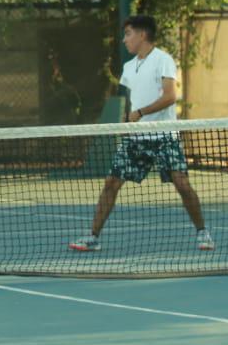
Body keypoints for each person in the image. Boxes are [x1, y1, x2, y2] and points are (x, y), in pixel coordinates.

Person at [70, 14, 215, 254]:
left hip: (164, 136)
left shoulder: (163, 60)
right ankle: (93, 237)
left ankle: (203, 232)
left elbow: (170, 97)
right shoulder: (128, 67)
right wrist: (128, 121)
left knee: (181, 183)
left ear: (142, 35)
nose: (124, 39)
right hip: (136, 138)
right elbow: (131, 102)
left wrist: (140, 112)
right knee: (111, 183)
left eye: (128, 34)